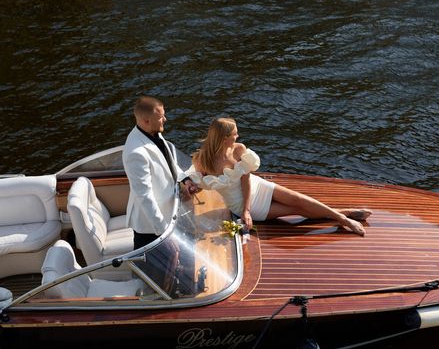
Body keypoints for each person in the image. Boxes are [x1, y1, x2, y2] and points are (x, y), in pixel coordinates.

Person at [188, 117, 371, 236]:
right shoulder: (203, 159)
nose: (238, 135)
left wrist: (246, 210)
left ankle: (344, 218)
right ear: (224, 137)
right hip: (239, 204)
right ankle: (343, 213)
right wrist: (245, 211)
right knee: (297, 210)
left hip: (256, 187)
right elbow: (193, 180)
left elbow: (245, 179)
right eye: (235, 133)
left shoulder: (239, 149)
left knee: (298, 199)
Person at [123, 95, 198, 250]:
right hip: (151, 228)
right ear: (146, 121)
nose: (165, 119)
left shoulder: (152, 132)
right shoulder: (135, 153)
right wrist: (164, 234)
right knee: (153, 272)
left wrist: (184, 180)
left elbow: (168, 162)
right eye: (161, 117)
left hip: (168, 215)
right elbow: (145, 197)